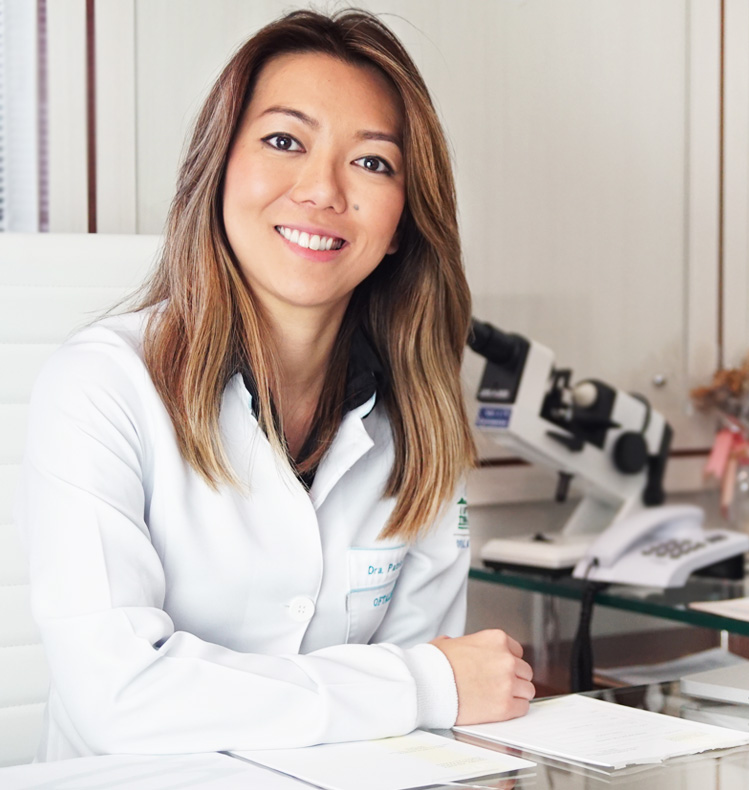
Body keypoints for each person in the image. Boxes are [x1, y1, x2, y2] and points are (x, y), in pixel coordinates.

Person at [16, 9, 533, 761]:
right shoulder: (102, 385)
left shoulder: (421, 418)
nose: (322, 190)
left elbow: (426, 728)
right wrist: (423, 684)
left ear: (402, 223)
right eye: (285, 141)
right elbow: (121, 704)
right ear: (219, 167)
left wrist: (426, 688)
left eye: (373, 162)